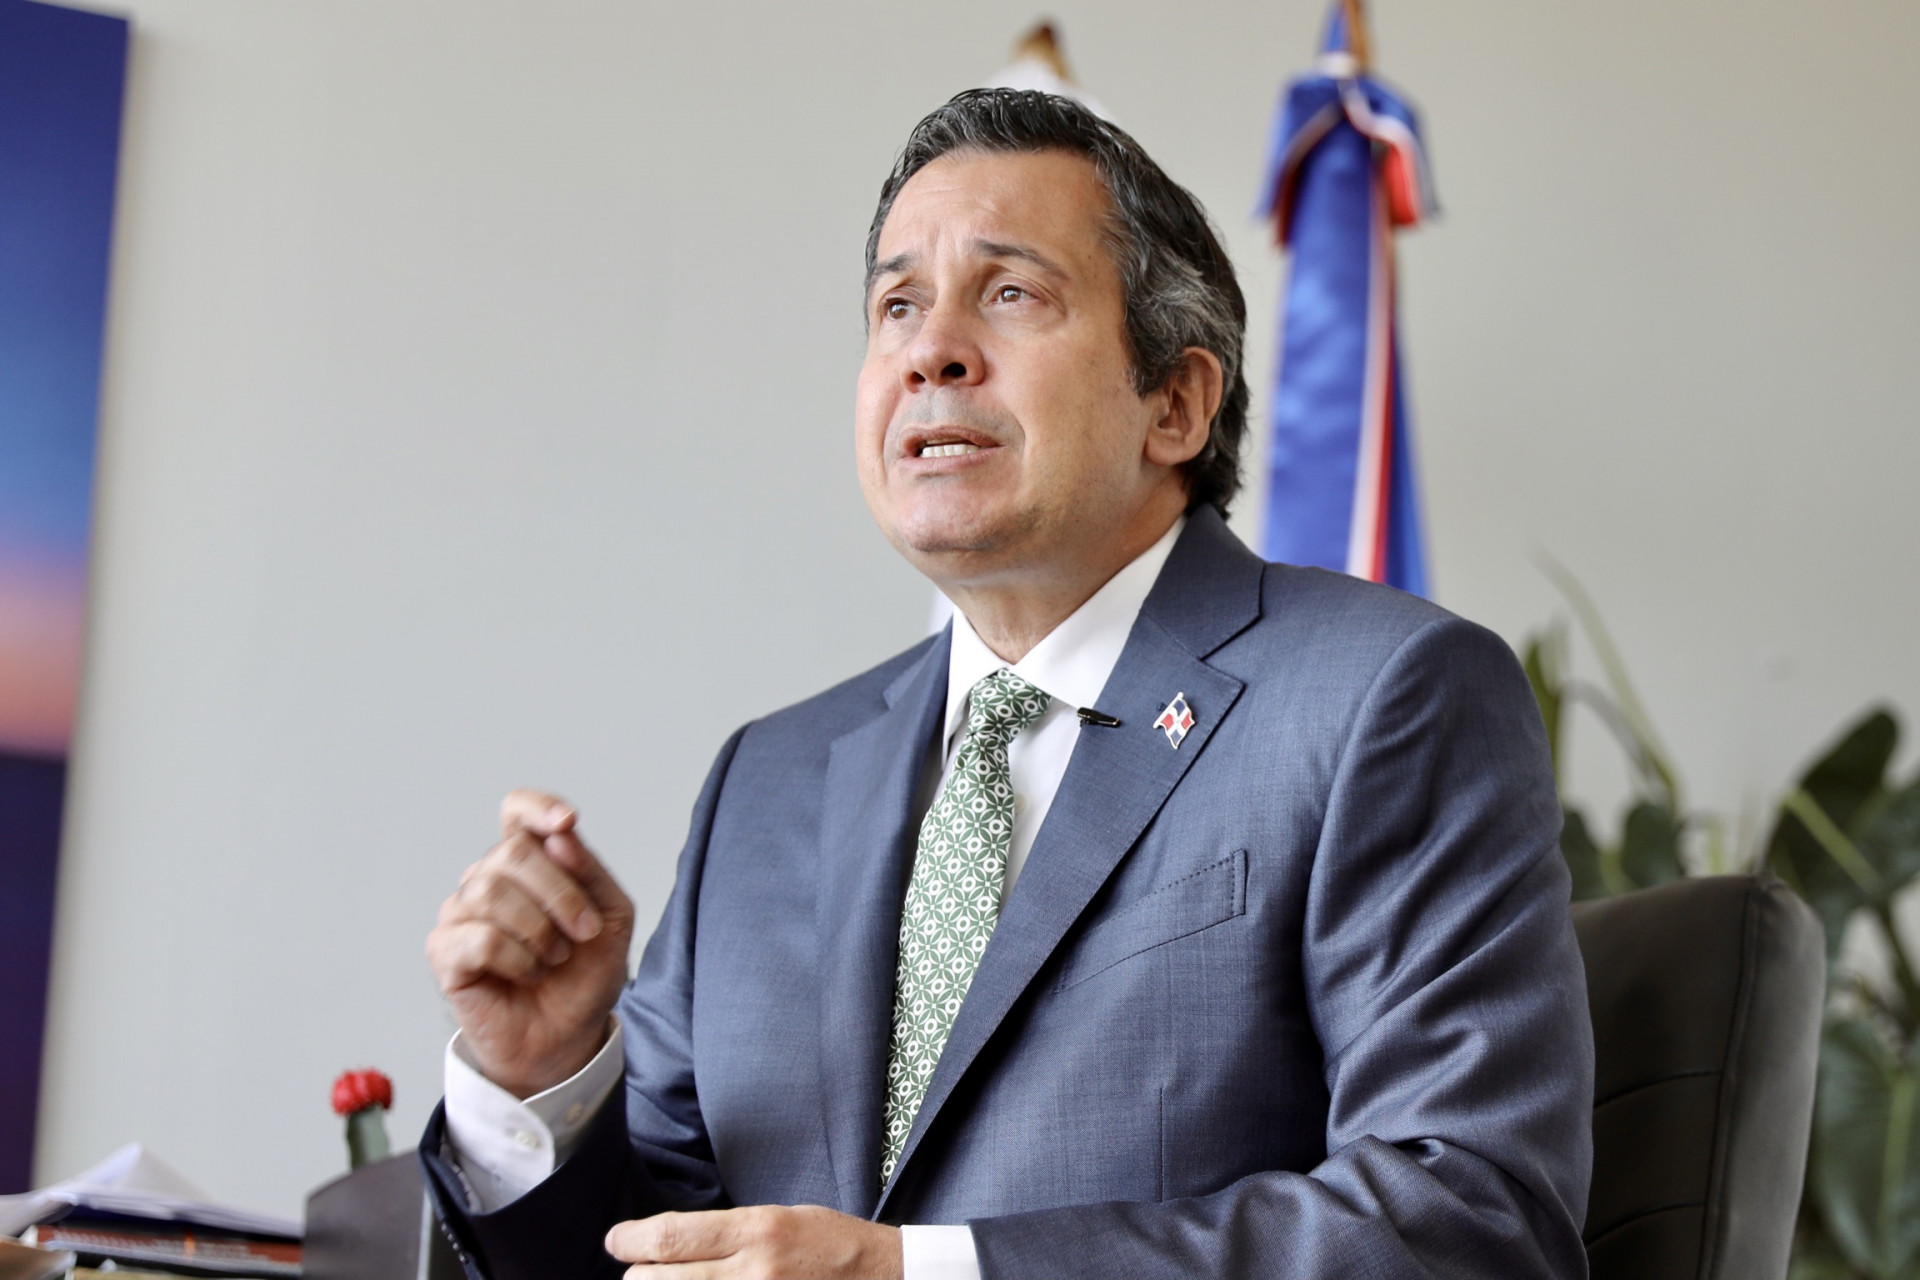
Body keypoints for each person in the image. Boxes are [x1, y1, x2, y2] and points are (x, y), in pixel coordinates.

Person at [420, 89, 1593, 1280]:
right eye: (897, 305)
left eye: (1011, 292)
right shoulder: (766, 780)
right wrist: (541, 1078)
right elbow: (657, 1242)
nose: (930, 349)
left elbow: (1468, 1217)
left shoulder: (1383, 696)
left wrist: (918, 1272)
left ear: (1177, 401)